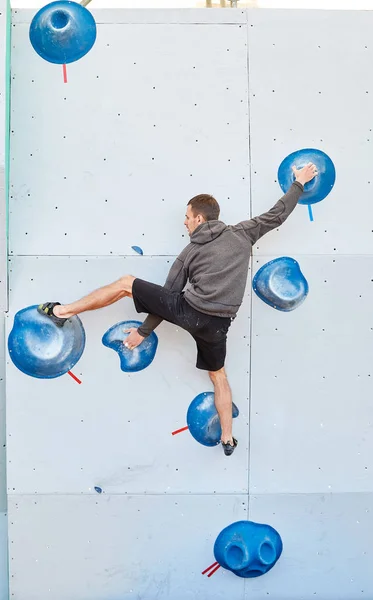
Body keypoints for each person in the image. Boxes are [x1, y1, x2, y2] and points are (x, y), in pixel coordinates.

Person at [38, 162, 317, 456]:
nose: (184, 223)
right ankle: (227, 438)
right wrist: (298, 182)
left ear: (198, 218)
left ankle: (63, 311)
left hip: (189, 311)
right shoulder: (243, 233)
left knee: (125, 283)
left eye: (186, 217)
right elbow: (278, 215)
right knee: (218, 375)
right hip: (218, 326)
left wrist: (144, 332)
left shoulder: (190, 252)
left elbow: (169, 296)